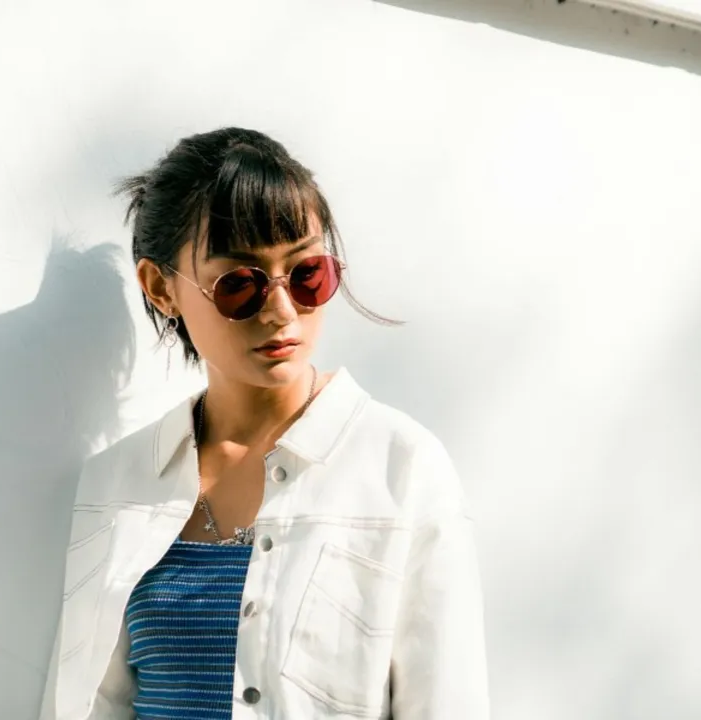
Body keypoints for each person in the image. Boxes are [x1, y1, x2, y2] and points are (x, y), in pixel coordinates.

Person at [40, 127, 489, 719]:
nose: (282, 312)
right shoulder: (117, 480)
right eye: (239, 285)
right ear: (161, 289)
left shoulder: (402, 469)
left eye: (307, 274)